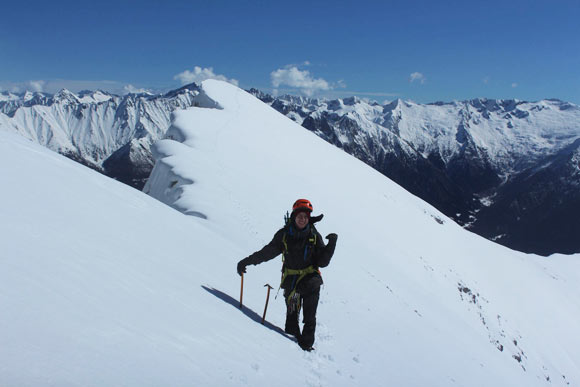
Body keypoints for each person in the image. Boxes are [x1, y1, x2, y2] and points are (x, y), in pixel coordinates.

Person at [237, 199, 337, 351]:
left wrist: (331, 246)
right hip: (292, 284)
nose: (302, 219)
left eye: (305, 216)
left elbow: (322, 262)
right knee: (291, 318)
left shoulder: (314, 235)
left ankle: (306, 346)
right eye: (299, 216)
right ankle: (288, 349)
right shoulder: (284, 235)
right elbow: (267, 252)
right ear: (294, 217)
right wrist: (247, 261)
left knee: (309, 317)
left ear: (309, 218)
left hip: (311, 282)